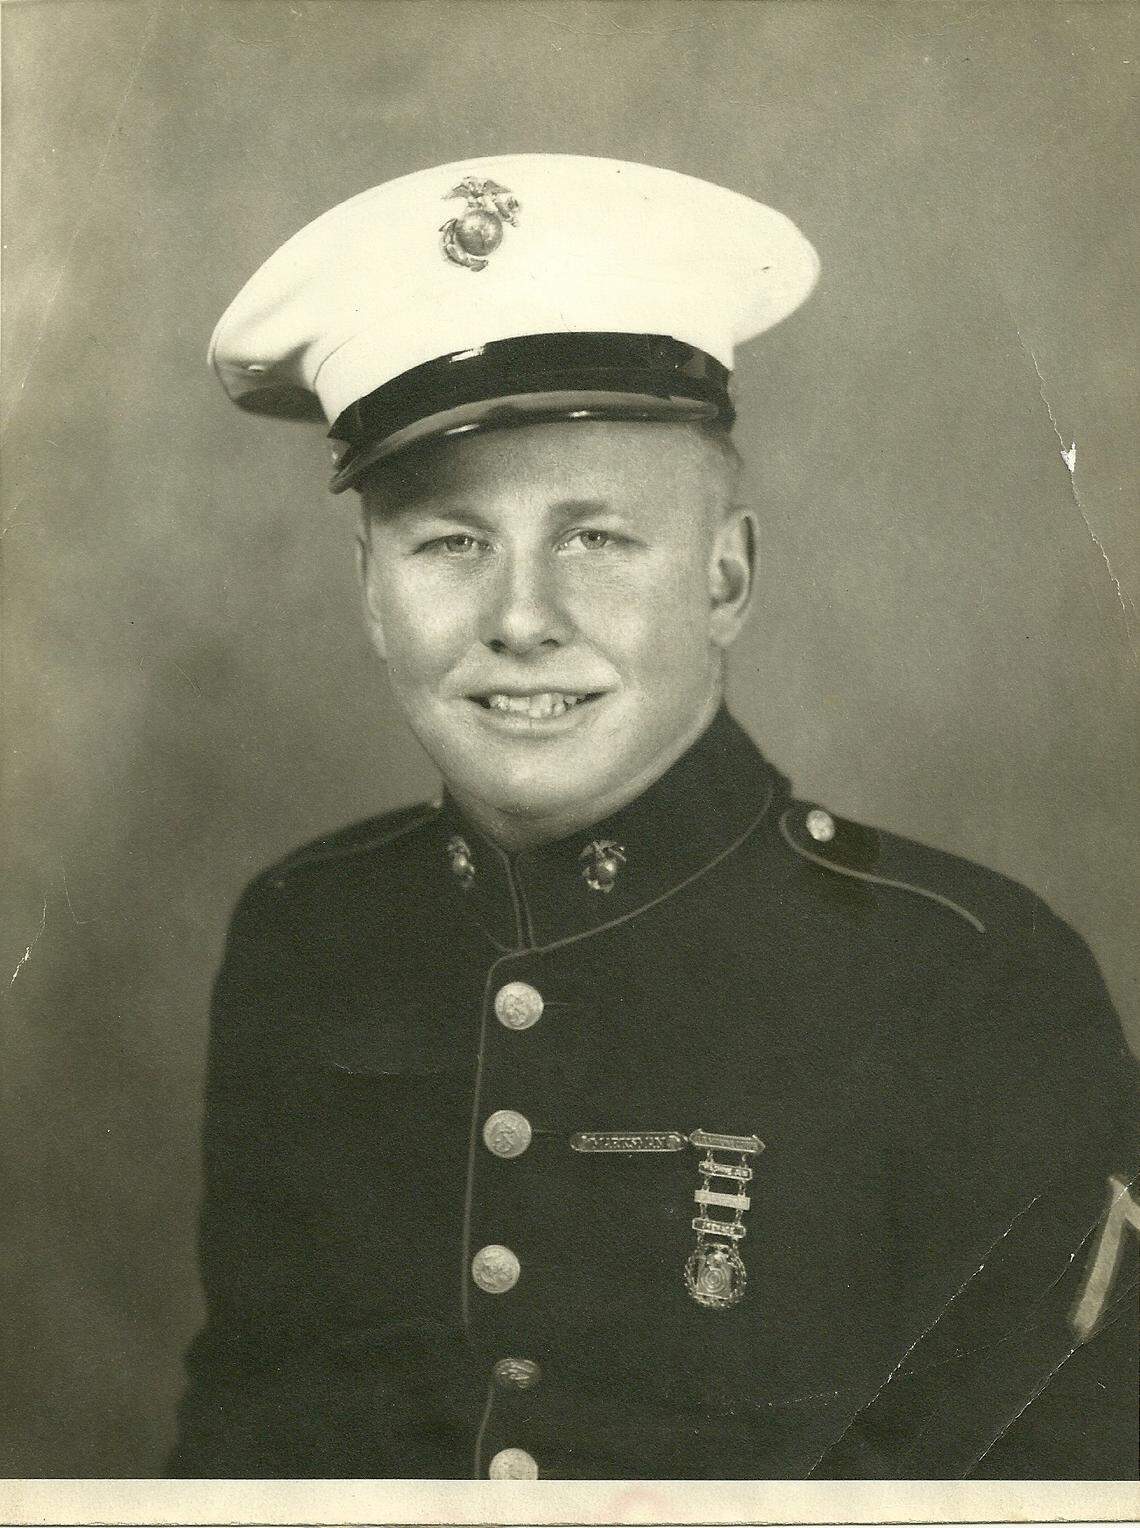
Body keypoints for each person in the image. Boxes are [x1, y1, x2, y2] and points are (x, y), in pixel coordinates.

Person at [169, 155, 1138, 1480]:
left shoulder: (969, 977)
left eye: (599, 539)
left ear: (726, 577)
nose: (522, 619)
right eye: (450, 542)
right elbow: (242, 1460)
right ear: (370, 590)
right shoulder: (308, 931)